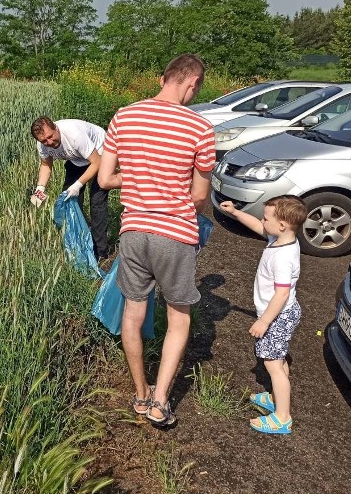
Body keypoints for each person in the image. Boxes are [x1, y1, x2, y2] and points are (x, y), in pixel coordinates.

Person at [97, 54, 214, 427]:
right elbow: (199, 197)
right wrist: (170, 191)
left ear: (163, 77)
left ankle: (140, 392)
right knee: (179, 316)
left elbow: (103, 180)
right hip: (173, 234)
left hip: (132, 232)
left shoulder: (124, 116)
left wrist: (135, 183)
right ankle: (161, 401)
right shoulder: (200, 128)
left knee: (134, 312)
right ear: (192, 83)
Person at [218, 196, 307, 435]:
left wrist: (264, 321)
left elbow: (281, 293)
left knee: (272, 364)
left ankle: (282, 417)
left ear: (282, 225)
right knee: (278, 359)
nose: (261, 221)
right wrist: (236, 212)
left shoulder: (282, 257)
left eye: (266, 218)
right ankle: (276, 398)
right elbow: (258, 227)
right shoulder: (281, 238)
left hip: (277, 315)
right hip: (283, 313)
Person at [29, 116, 110, 260]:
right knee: (69, 201)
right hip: (76, 159)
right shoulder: (42, 145)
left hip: (100, 152)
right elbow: (46, 165)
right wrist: (40, 189)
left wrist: (78, 185)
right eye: (44, 141)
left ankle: (101, 252)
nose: (49, 142)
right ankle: (80, 245)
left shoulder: (75, 135)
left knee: (97, 201)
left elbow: (96, 163)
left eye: (50, 136)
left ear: (56, 127)